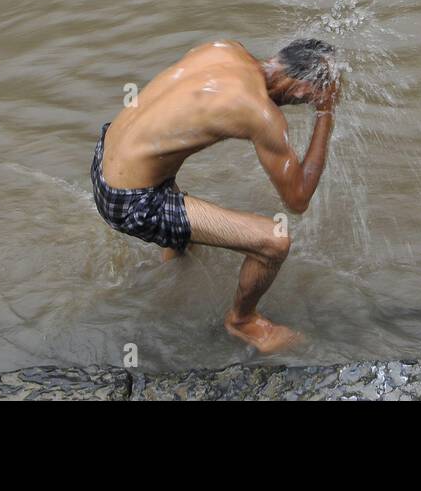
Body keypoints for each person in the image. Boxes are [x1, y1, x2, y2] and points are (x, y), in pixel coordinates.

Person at [90, 38, 340, 353]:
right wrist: (326, 113)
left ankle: (172, 264)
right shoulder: (260, 115)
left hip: (103, 157)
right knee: (274, 242)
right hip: (128, 201)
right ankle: (242, 321)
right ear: (305, 92)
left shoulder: (223, 49)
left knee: (168, 166)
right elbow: (298, 199)